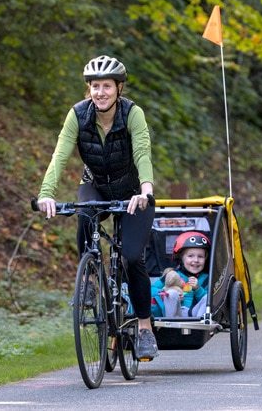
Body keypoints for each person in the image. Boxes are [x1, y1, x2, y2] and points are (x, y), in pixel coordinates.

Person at [36, 55, 158, 360]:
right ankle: (90, 280)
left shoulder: (133, 113)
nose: (100, 92)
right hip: (96, 184)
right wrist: (46, 194)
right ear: (88, 89)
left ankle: (144, 328)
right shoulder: (78, 115)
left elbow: (142, 151)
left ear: (118, 88)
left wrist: (146, 189)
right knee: (84, 214)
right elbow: (60, 155)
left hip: (132, 192)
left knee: (131, 257)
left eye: (106, 86)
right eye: (94, 86)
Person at [151, 232, 210, 318]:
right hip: (174, 314)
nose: (196, 260)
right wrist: (165, 293)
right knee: (172, 293)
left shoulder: (206, 278)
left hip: (196, 315)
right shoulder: (172, 274)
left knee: (208, 297)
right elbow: (152, 289)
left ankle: (201, 326)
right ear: (181, 258)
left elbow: (210, 302)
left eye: (200, 256)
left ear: (206, 259)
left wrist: (198, 289)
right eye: (190, 256)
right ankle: (170, 323)